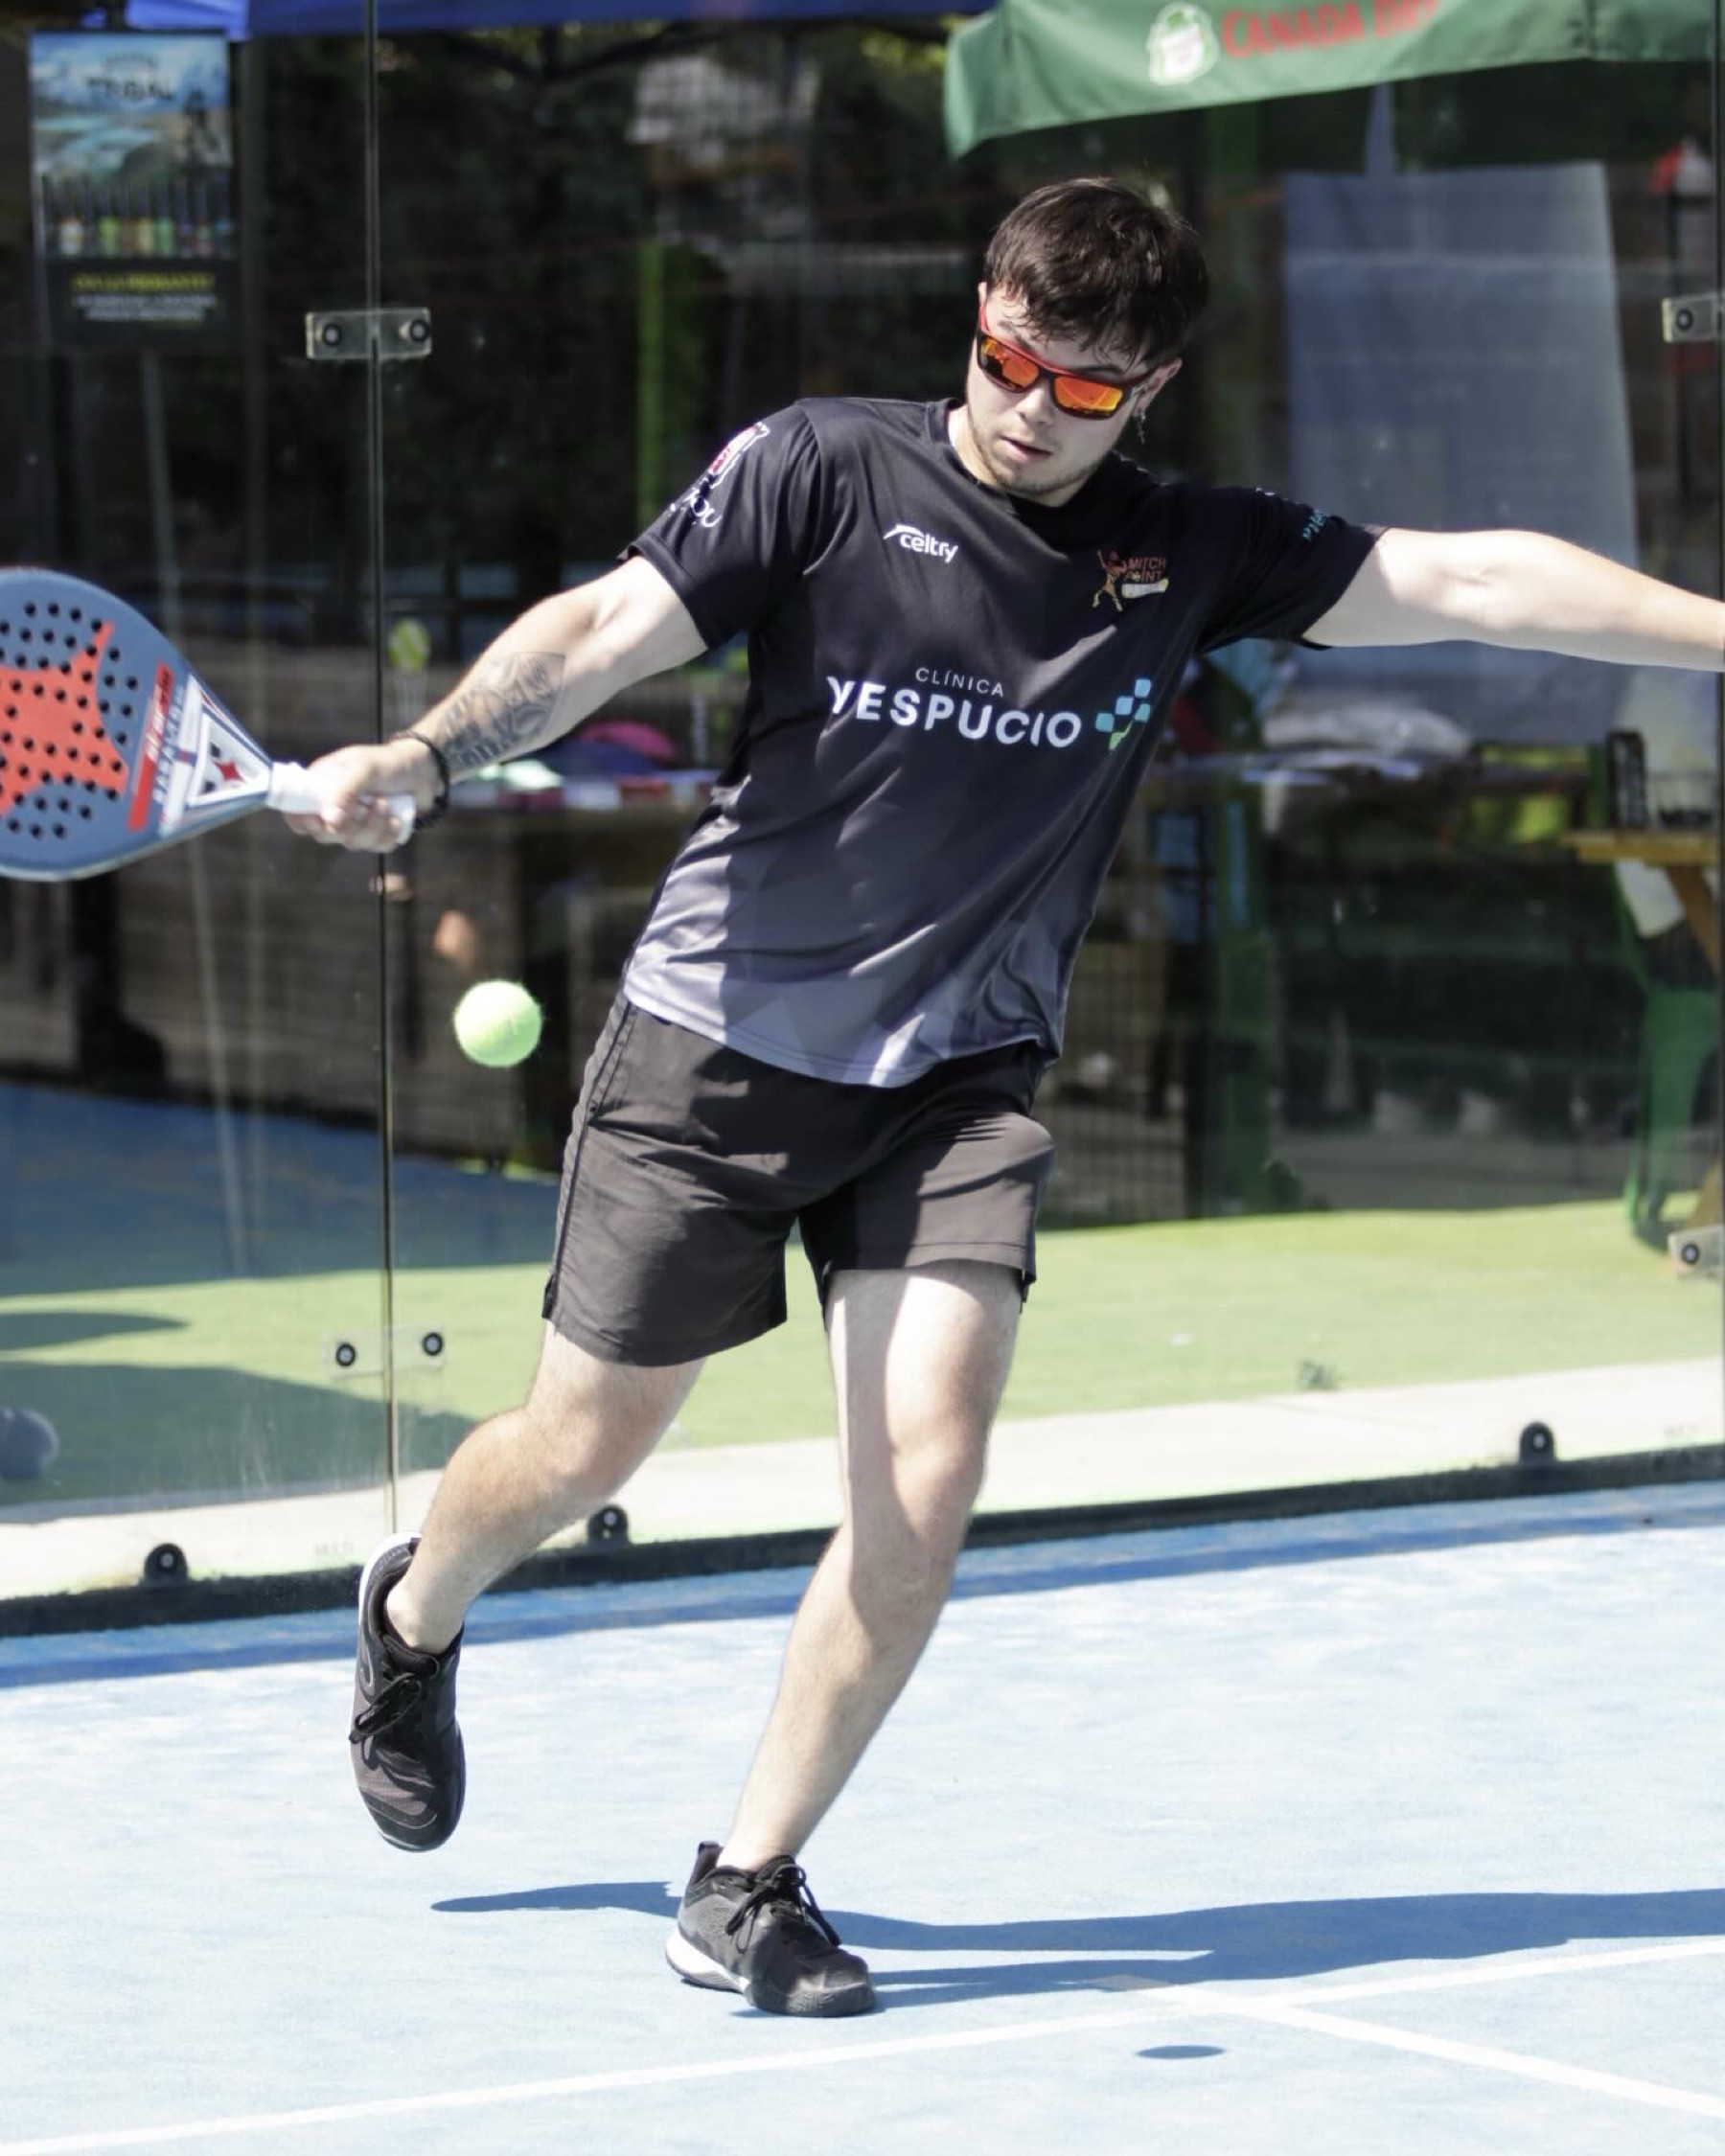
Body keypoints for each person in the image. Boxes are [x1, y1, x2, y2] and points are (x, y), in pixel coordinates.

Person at [300, 177, 1725, 2020]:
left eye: (1086, 387)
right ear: (978, 310)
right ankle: (412, 1609)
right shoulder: (819, 470)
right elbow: (601, 631)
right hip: (714, 1048)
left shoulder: (1187, 549)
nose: (1031, 406)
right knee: (581, 1452)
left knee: (926, 1474)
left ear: (1155, 388)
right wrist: (429, 753)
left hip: (959, 1082)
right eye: (1006, 357)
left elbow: (1473, 577)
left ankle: (746, 1878)